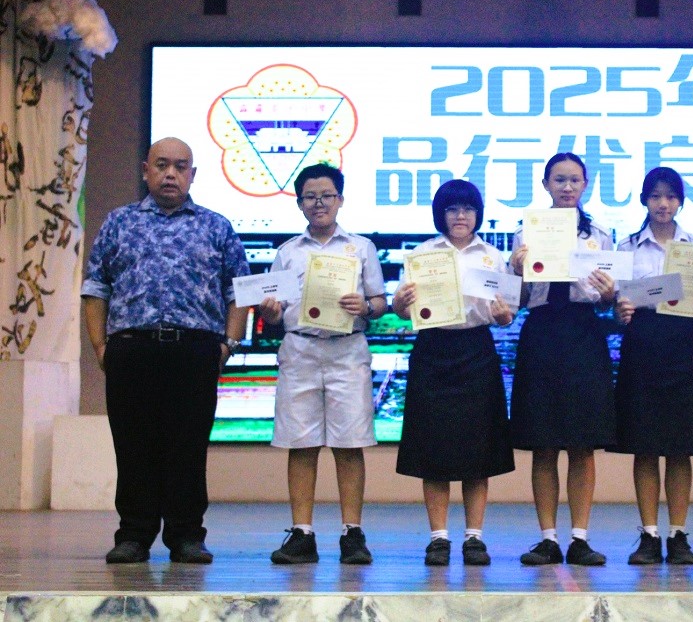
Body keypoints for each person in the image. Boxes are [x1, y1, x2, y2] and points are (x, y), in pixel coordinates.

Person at [82, 137, 250, 564]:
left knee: (188, 448)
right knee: (132, 446)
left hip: (195, 351)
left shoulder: (216, 226)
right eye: (161, 165)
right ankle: (133, 535)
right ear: (146, 171)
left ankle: (187, 535)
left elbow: (239, 291)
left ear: (193, 174)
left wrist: (228, 344)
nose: (170, 174)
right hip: (131, 350)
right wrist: (100, 345)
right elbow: (96, 288)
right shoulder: (118, 223)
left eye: (180, 166)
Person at [258, 163, 386, 565]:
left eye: (326, 196)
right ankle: (302, 533)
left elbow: (380, 302)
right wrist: (270, 312)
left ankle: (352, 533)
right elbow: (274, 310)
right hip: (300, 350)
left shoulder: (362, 248)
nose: (319, 203)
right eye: (310, 197)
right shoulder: (288, 252)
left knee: (350, 444)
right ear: (300, 203)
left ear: (340, 200)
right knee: (301, 444)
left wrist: (366, 306)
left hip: (347, 350)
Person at [391, 179, 516, 566]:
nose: (461, 216)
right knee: (433, 448)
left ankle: (474, 538)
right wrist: (399, 302)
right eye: (452, 209)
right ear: (440, 214)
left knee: (480, 449)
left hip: (476, 349)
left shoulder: (493, 256)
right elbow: (401, 311)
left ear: (477, 214)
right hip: (433, 350)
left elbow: (507, 314)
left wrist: (504, 315)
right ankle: (438, 538)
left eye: (468, 209)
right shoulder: (422, 255)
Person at [508, 152, 617, 566]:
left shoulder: (599, 235)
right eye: (559, 180)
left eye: (574, 180)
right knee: (544, 443)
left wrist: (609, 293)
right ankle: (548, 538)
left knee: (582, 443)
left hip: (583, 332)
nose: (567, 187)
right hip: (541, 332)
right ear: (545, 185)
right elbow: (517, 299)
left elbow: (608, 300)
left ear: (585, 184)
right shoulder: (525, 234)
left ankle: (580, 538)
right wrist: (516, 271)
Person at [611, 167, 693, 565]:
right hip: (642, 347)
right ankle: (648, 535)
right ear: (644, 200)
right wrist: (620, 309)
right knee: (644, 447)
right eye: (655, 196)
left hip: (682, 346)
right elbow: (616, 305)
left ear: (680, 202)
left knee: (680, 447)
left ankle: (678, 534)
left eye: (671, 197)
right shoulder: (626, 247)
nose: (663, 204)